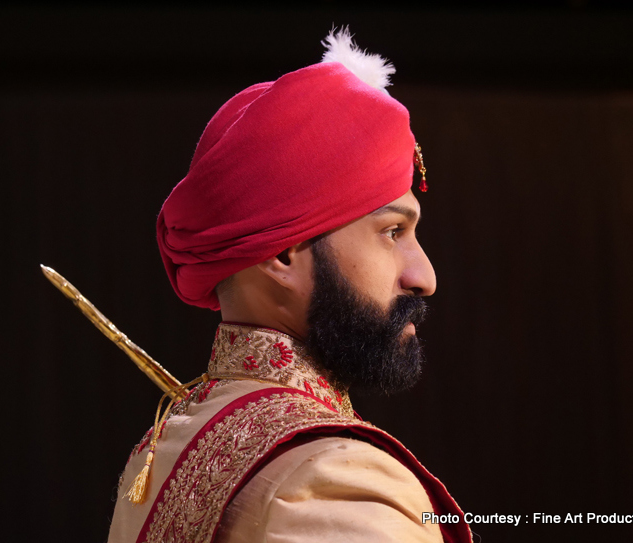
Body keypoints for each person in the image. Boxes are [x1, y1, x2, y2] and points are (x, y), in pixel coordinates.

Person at [107, 28, 472, 543]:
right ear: (283, 253)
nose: (424, 277)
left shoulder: (166, 445)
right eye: (392, 232)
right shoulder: (338, 481)